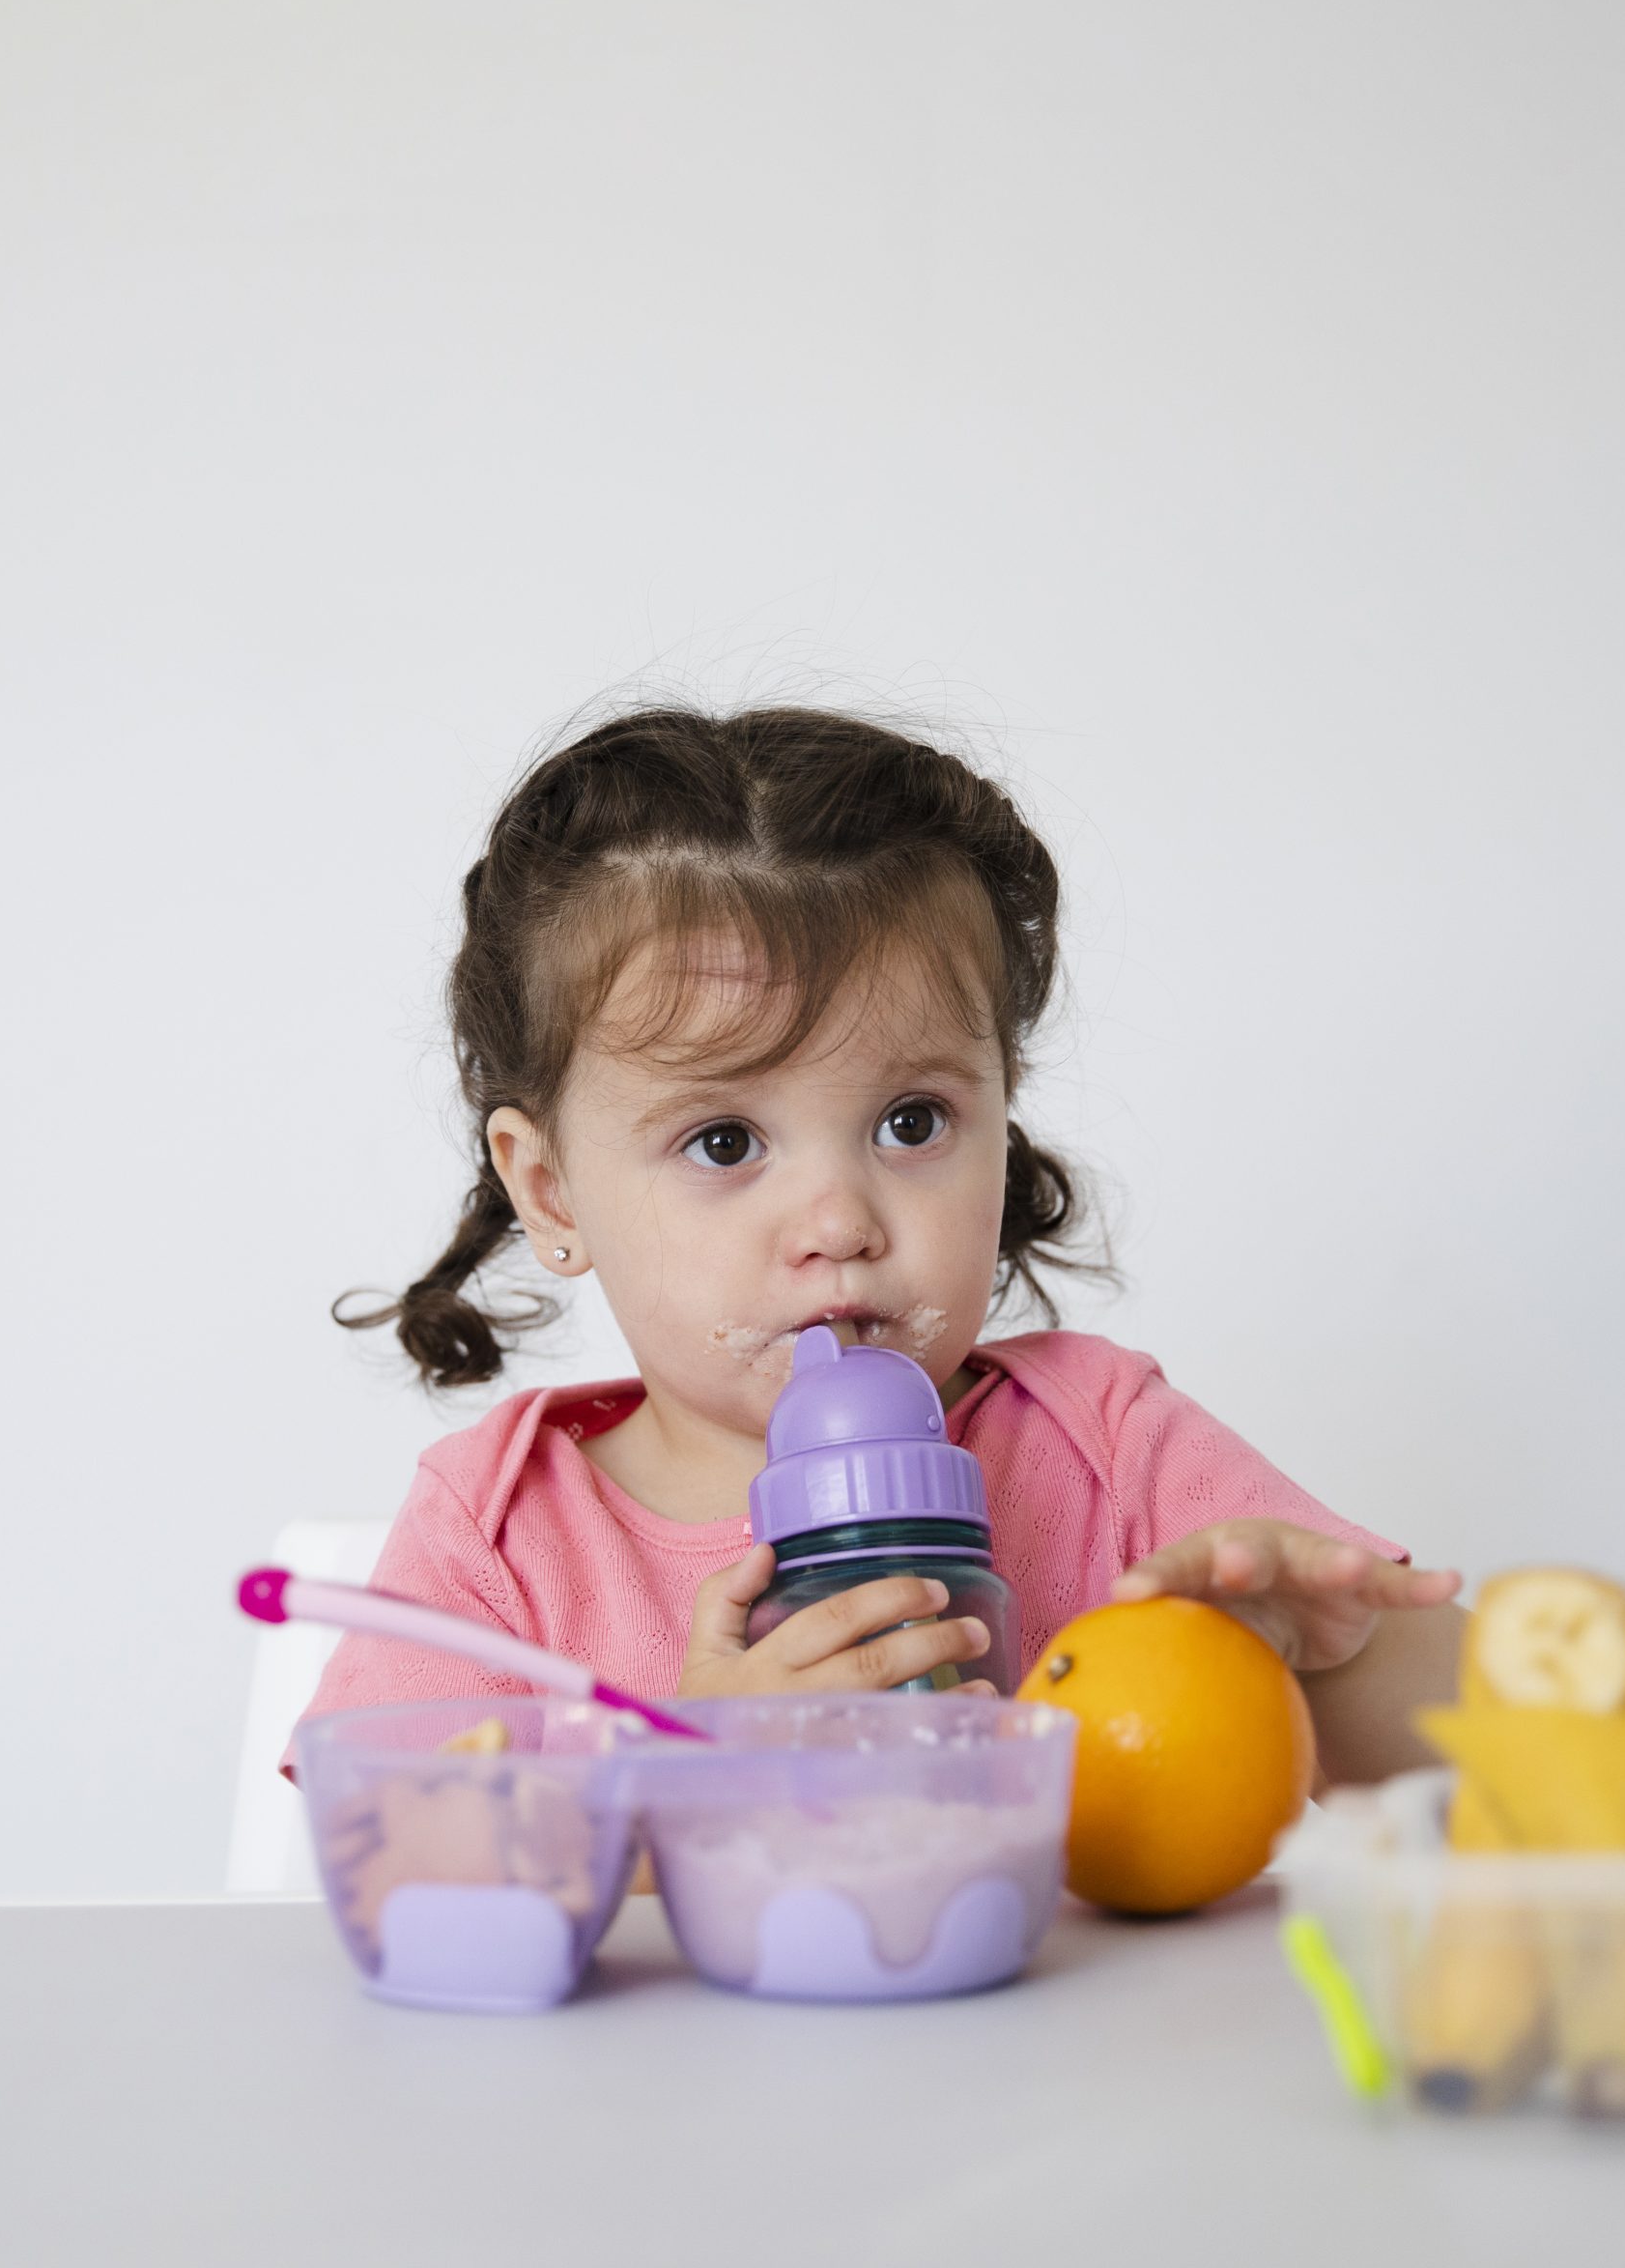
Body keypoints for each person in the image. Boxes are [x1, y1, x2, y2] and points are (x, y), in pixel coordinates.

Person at [310, 705, 1461, 1784]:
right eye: (723, 1141)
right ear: (552, 1195)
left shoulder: (1107, 1451)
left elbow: (1505, 1759)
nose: (840, 1225)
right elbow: (405, 1871)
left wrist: (1332, 1657)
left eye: (912, 1123)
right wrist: (692, 1784)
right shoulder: (502, 1534)